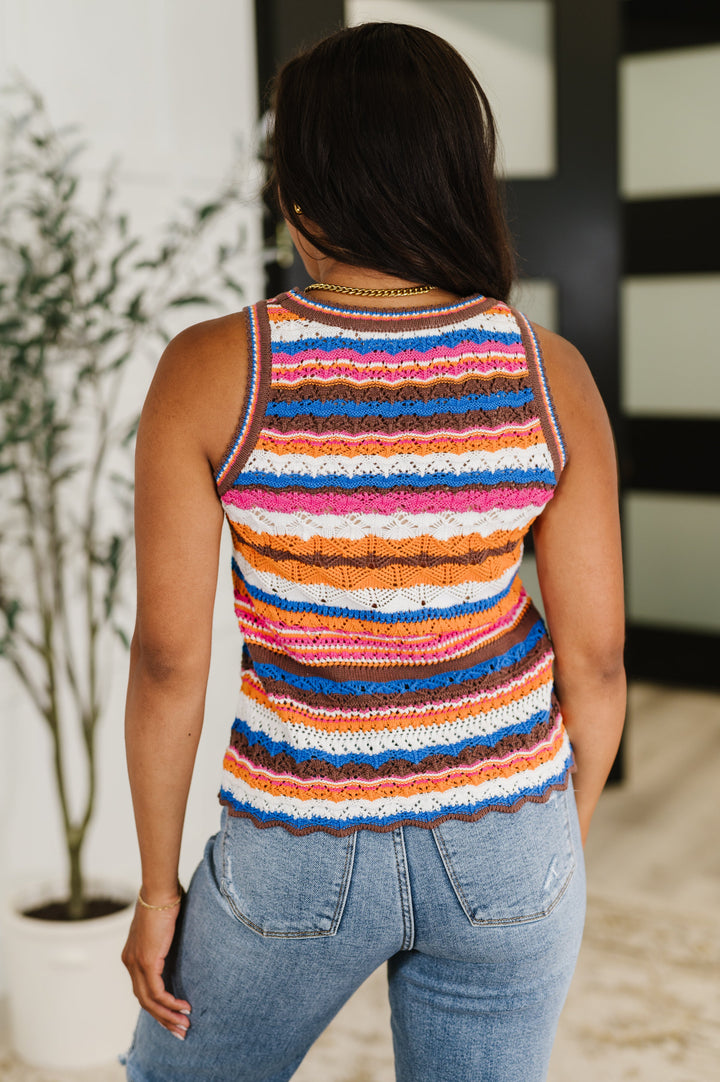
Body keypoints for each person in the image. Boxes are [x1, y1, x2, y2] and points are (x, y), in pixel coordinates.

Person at [121, 21, 625, 1082]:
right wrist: (554, 847)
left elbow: (169, 663)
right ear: (456, 171)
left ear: (301, 192)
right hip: (510, 824)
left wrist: (159, 891)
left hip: (299, 832)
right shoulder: (550, 372)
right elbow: (597, 664)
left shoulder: (213, 370)